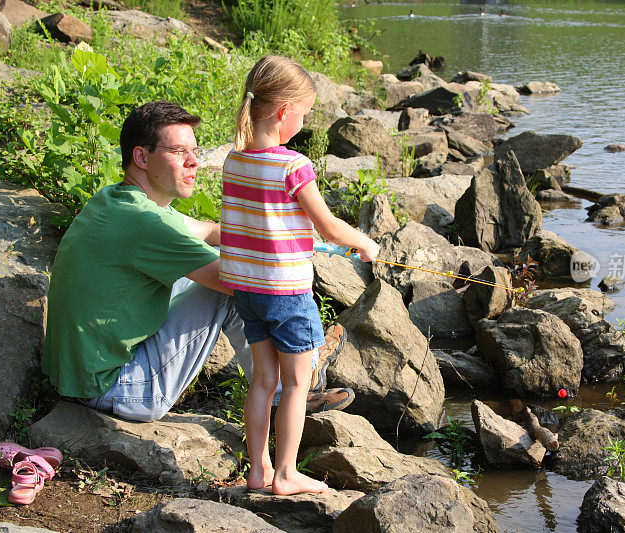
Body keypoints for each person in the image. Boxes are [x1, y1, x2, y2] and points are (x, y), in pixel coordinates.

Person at [42, 100, 353, 424]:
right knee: (240, 283)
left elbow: (207, 230)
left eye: (195, 151)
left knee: (223, 269)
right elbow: (246, 281)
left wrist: (285, 236)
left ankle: (288, 383)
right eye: (179, 152)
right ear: (141, 157)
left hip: (82, 376)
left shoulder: (119, 200)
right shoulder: (147, 224)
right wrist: (286, 255)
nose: (194, 163)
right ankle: (294, 384)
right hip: (115, 387)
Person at [219, 56, 379, 495]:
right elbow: (327, 226)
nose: (304, 122)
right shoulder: (293, 166)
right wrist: (364, 243)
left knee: (263, 381)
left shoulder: (236, 161)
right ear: (284, 112)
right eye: (305, 113)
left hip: (247, 291)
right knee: (295, 384)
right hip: (286, 293)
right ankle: (287, 474)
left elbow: (253, 223)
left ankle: (258, 472)